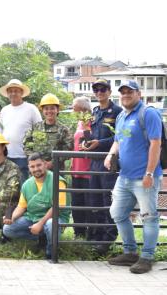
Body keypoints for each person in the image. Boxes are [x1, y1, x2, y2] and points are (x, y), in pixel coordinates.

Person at [105, 80, 163, 274]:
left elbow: (156, 144)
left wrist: (149, 172)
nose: (126, 95)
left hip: (144, 177)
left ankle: (147, 257)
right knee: (118, 213)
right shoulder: (122, 115)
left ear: (139, 93)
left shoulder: (149, 113)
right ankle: (130, 252)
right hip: (124, 176)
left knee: (149, 217)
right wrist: (110, 154)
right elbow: (118, 141)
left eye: (130, 92)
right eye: (123, 92)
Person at [1, 153, 69, 259]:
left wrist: (40, 224)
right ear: (29, 168)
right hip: (33, 217)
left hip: (55, 217)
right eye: (32, 166)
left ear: (45, 164)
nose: (36, 169)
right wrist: (11, 218)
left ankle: (51, 251)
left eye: (39, 165)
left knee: (51, 224)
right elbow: (21, 207)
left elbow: (57, 208)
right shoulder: (27, 184)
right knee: (7, 229)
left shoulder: (58, 181)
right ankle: (42, 237)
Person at [81, 79, 122, 252]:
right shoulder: (95, 111)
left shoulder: (118, 111)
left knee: (107, 201)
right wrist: (87, 143)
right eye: (96, 89)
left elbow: (119, 138)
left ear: (109, 91)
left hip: (109, 163)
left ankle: (107, 240)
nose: (99, 92)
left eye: (103, 89)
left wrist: (100, 143)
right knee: (94, 200)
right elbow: (92, 136)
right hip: (94, 163)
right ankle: (97, 236)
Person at [0, 79, 42, 181]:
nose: (13, 93)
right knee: (9, 190)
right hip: (7, 156)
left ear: (21, 93)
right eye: (11, 91)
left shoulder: (31, 109)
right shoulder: (4, 110)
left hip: (25, 156)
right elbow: (1, 131)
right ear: (7, 93)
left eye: (16, 90)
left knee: (24, 188)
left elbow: (40, 131)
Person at [23, 93, 73, 170]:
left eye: (52, 108)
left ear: (57, 110)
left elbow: (69, 149)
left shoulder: (64, 130)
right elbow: (26, 145)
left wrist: (53, 162)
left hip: (56, 171)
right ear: (42, 111)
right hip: (37, 170)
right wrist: (37, 161)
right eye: (46, 108)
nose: (49, 111)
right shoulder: (35, 128)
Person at [70, 97, 92, 239]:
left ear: (83, 109)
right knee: (76, 204)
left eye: (74, 108)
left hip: (88, 170)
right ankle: (78, 233)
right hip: (76, 170)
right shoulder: (79, 123)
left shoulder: (93, 122)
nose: (73, 111)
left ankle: (90, 234)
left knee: (88, 204)